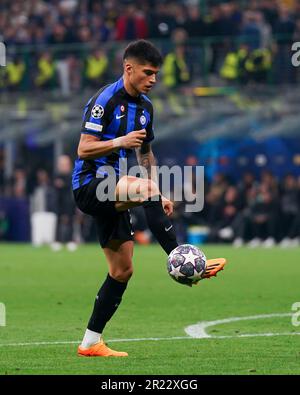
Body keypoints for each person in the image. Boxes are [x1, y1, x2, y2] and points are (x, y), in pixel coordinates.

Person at [72, 40, 226, 357]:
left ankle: (90, 342)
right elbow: (83, 148)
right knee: (143, 191)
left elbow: (146, 154)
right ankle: (180, 258)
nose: (153, 79)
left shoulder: (145, 108)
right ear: (129, 68)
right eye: (148, 72)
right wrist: (120, 141)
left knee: (122, 270)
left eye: (156, 73)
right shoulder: (105, 100)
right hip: (90, 184)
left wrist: (157, 190)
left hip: (113, 189)